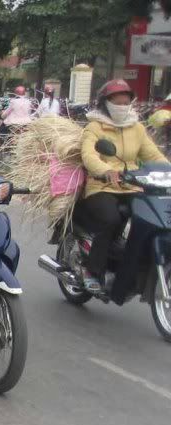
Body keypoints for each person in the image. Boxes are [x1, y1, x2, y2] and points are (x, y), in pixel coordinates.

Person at [78, 78, 166, 298]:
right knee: (110, 219)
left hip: (133, 186)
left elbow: (153, 155)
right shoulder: (94, 127)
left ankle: (131, 264)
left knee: (150, 218)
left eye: (126, 102)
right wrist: (106, 170)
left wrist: (168, 170)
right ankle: (92, 270)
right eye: (117, 102)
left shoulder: (136, 128)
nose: (122, 106)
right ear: (105, 103)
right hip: (102, 186)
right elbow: (89, 155)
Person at [0, 85, 34, 152]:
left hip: (14, 123)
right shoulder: (28, 102)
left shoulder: (13, 101)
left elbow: (6, 112)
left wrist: (2, 116)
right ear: (24, 93)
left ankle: (2, 147)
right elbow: (29, 113)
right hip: (27, 123)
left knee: (0, 132)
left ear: (16, 93)